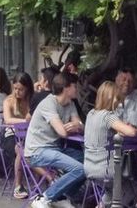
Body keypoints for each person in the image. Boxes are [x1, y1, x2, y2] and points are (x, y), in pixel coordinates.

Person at [24, 71, 85, 208]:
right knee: (79, 169)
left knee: (88, 164)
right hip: (37, 151)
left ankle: (61, 196)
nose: (77, 90)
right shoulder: (48, 103)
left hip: (55, 148)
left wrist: (77, 125)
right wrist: (75, 126)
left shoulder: (70, 104)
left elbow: (80, 126)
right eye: (75, 86)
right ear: (66, 88)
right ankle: (44, 198)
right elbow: (62, 132)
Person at [85, 80, 137, 197]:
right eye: (117, 98)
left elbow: (103, 130)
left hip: (89, 167)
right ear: (110, 97)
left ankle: (101, 205)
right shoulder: (108, 116)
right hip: (106, 169)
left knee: (114, 190)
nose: (118, 102)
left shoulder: (91, 114)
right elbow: (131, 133)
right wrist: (133, 128)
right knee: (136, 186)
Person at [2, 72, 34, 199]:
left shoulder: (32, 100)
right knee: (20, 149)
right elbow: (8, 120)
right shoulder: (9, 101)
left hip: (29, 135)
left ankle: (47, 181)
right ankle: (18, 186)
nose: (17, 92)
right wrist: (25, 122)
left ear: (28, 89)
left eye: (21, 89)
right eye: (15, 88)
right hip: (11, 136)